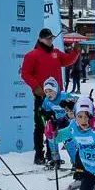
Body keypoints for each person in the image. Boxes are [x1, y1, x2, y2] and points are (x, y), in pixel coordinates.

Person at [22, 28, 79, 165]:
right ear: (40, 39)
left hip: (58, 97)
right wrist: (37, 88)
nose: (50, 40)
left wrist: (75, 51)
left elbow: (68, 61)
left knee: (58, 125)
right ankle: (39, 154)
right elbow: (25, 74)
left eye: (51, 38)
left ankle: (51, 153)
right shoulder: (32, 55)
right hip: (43, 97)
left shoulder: (56, 53)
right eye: (47, 38)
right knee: (41, 125)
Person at [39, 77, 77, 171]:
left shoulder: (64, 96)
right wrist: (46, 115)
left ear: (56, 89)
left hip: (69, 124)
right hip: (57, 124)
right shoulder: (47, 101)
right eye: (46, 91)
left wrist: (71, 104)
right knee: (52, 141)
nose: (48, 94)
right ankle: (56, 160)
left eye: (50, 91)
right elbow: (44, 112)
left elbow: (78, 102)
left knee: (70, 144)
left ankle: (76, 163)